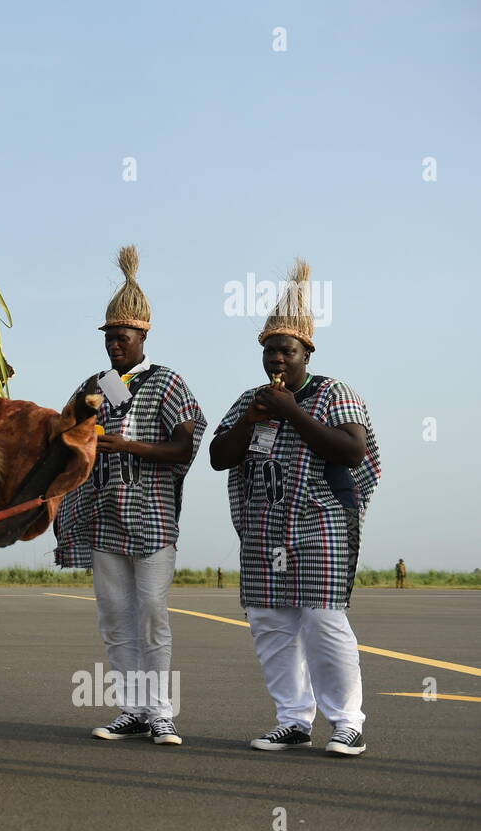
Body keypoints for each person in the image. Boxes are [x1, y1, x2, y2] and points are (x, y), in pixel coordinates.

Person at [209, 259, 380, 757]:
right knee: (270, 623)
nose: (277, 360)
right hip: (265, 528)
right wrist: (255, 417)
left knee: (324, 621)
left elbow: (350, 451)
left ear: (307, 351)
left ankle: (347, 722)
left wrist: (291, 413)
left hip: (321, 523)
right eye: (269, 352)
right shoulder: (251, 399)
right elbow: (220, 458)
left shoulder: (333, 392)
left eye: (286, 350)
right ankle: (292, 719)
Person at [53, 246, 205, 746]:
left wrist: (126, 445)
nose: (115, 345)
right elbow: (65, 433)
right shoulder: (101, 386)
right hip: (103, 518)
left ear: (144, 337)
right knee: (116, 620)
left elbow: (185, 443)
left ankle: (161, 712)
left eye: (123, 337)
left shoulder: (165, 381)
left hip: (152, 518)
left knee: (153, 617)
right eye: (109, 337)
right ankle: (131, 709)